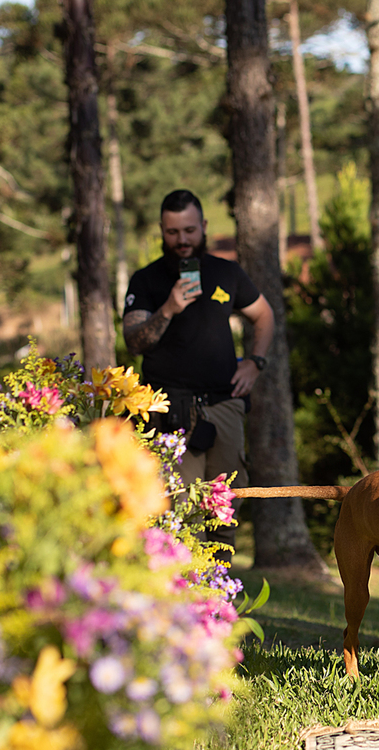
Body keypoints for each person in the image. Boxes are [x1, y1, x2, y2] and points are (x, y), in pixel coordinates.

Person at [123, 189, 275, 560]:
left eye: (190, 230)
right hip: (168, 410)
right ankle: (179, 602)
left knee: (224, 508)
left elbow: (264, 316)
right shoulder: (146, 280)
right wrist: (169, 308)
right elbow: (134, 341)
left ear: (204, 226)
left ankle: (219, 602)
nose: (183, 240)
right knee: (176, 512)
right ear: (162, 230)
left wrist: (254, 362)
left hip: (224, 405)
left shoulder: (227, 271)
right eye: (173, 232)